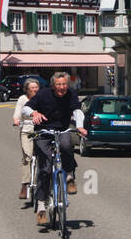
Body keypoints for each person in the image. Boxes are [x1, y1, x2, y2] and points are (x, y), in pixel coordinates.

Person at [25, 71, 87, 226]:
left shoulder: (71, 94)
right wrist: (34, 113)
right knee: (45, 169)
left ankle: (69, 176)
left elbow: (77, 111)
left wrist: (79, 126)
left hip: (62, 130)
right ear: (53, 85)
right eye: (59, 84)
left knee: (67, 146)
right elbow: (26, 108)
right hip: (44, 132)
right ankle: (40, 206)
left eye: (64, 84)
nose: (62, 87)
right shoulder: (43, 94)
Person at [11, 77, 42, 202]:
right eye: (32, 88)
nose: (35, 90)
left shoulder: (42, 98)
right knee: (27, 157)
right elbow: (17, 113)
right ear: (27, 90)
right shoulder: (22, 99)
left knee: (45, 156)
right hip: (27, 130)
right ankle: (25, 184)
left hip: (41, 129)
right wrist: (16, 120)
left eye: (36, 87)